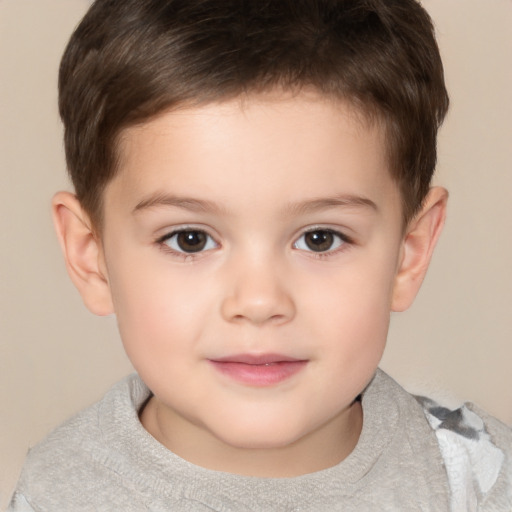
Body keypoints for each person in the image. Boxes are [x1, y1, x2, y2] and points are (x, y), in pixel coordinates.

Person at [8, 0, 511, 510]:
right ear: (91, 257)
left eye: (320, 238)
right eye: (190, 239)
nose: (258, 301)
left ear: (410, 251)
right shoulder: (60, 495)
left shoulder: (474, 478)